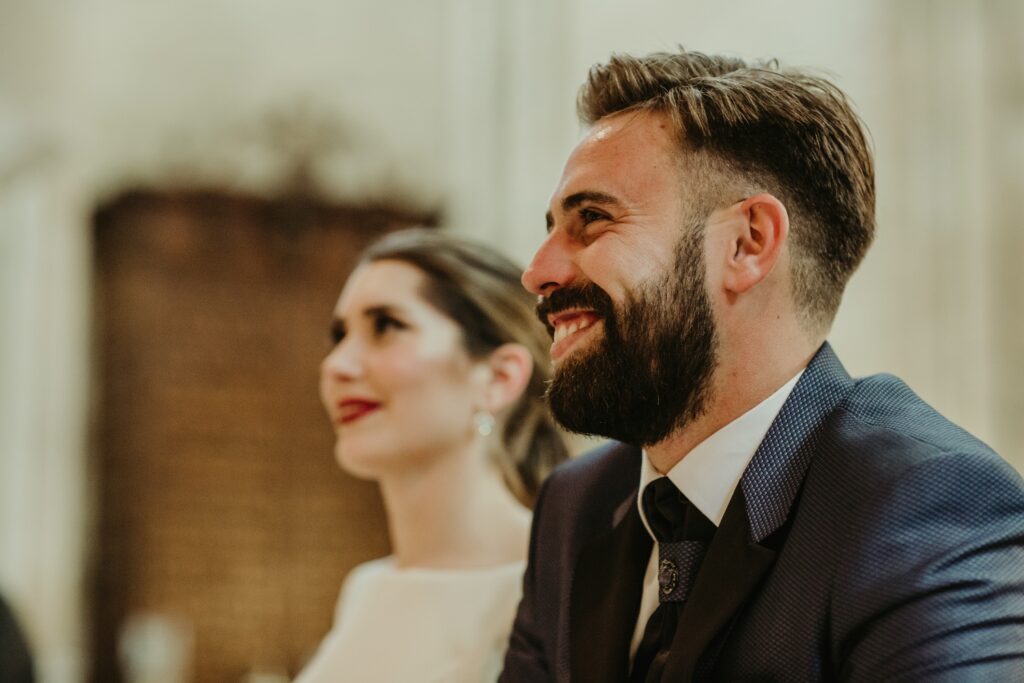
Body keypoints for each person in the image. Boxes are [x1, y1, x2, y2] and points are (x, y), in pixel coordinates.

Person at [500, 49, 1024, 682]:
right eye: (551, 227)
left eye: (593, 221)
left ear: (747, 244)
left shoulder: (926, 500)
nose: (537, 272)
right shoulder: (576, 505)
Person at [296, 229, 569, 683]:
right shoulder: (367, 590)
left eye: (386, 326)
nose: (337, 366)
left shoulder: (550, 587)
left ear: (499, 378)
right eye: (340, 335)